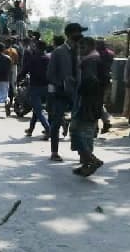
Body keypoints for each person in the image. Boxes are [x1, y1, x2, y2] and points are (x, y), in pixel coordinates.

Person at [47, 24, 85, 162]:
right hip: (61, 94)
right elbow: (50, 74)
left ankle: (83, 154)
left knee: (80, 124)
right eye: (78, 34)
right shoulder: (58, 52)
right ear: (70, 35)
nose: (80, 37)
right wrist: (62, 83)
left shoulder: (81, 51)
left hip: (77, 93)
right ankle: (54, 152)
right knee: (56, 123)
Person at [70, 37, 105, 177]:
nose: (80, 50)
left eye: (83, 47)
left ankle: (91, 160)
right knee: (82, 133)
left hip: (88, 103)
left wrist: (78, 88)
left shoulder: (90, 61)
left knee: (79, 132)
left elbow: (90, 81)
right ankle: (86, 164)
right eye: (79, 47)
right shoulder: (94, 60)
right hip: (92, 102)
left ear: (91, 46)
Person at [20, 39, 50, 138]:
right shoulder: (49, 58)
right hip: (48, 87)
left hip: (35, 87)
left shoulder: (33, 59)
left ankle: (48, 129)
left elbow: (24, 71)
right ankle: (31, 129)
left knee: (38, 110)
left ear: (37, 48)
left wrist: (18, 79)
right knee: (37, 109)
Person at [95, 38, 115, 133]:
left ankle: (96, 126)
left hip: (96, 81)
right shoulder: (110, 53)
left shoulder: (96, 55)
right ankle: (105, 122)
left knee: (95, 103)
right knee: (99, 103)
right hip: (106, 80)